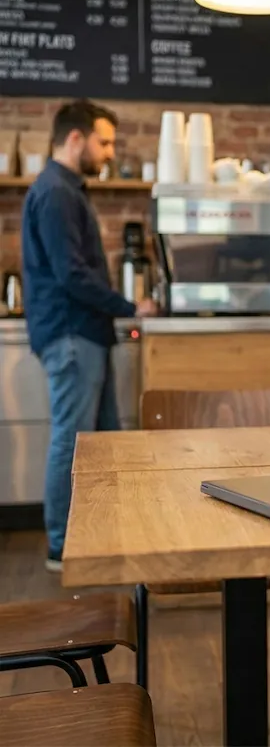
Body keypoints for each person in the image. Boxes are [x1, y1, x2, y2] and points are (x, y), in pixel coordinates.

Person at [20, 99, 157, 572]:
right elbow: (71, 275)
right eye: (104, 142)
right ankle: (62, 545)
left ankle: (97, 538)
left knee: (103, 442)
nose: (109, 152)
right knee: (75, 441)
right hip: (72, 334)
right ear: (75, 138)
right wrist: (129, 307)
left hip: (83, 334)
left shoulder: (65, 190)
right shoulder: (57, 192)